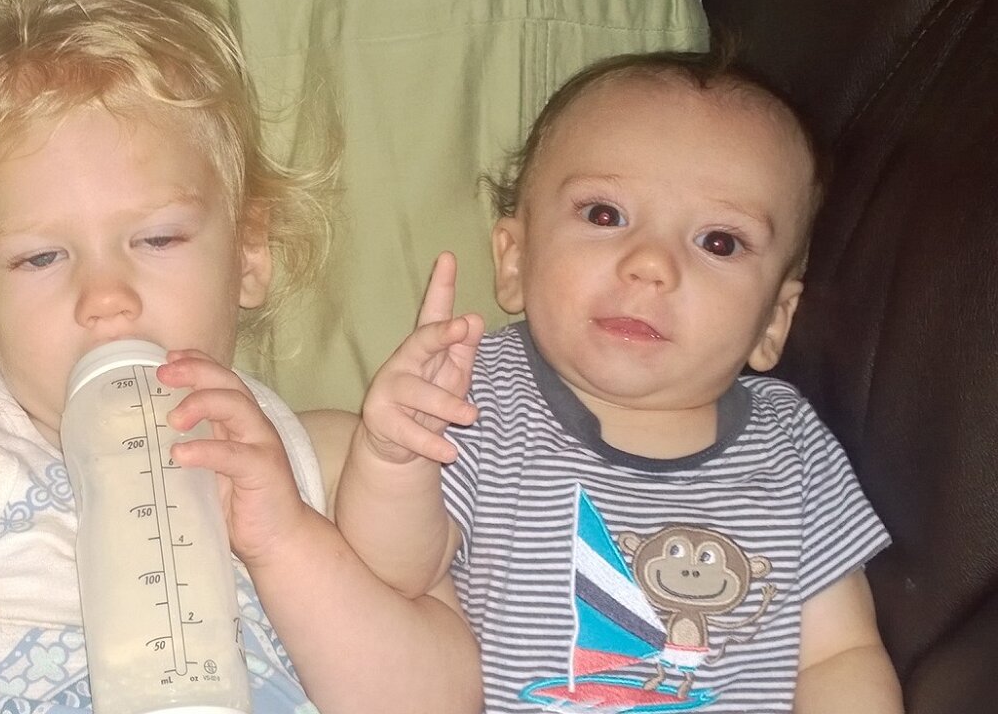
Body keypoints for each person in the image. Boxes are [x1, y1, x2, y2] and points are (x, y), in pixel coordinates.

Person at [0, 0, 473, 712]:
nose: (105, 296)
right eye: (41, 257)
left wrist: (285, 539)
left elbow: (439, 699)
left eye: (157, 239)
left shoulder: (331, 463)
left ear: (247, 252)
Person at [336, 51, 903, 712]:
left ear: (773, 322)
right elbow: (396, 574)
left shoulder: (793, 446)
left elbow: (841, 655)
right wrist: (394, 457)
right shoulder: (476, 395)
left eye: (719, 242)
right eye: (605, 214)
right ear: (515, 260)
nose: (651, 264)